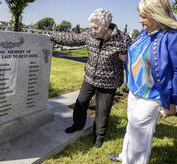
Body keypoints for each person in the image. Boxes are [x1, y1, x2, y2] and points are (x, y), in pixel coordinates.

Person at [107, 0, 177, 163]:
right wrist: (127, 59)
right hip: (135, 89)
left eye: (144, 16)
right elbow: (141, 55)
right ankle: (125, 155)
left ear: (157, 15)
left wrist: (172, 104)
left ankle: (133, 160)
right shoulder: (145, 33)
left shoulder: (174, 38)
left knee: (139, 131)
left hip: (153, 95)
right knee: (133, 125)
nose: (140, 20)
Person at [50, 8, 131, 148]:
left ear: (106, 26)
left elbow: (134, 60)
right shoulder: (90, 34)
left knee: (103, 110)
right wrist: (50, 36)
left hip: (108, 82)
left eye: (96, 27)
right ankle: (77, 124)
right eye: (91, 27)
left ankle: (99, 137)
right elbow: (72, 39)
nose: (92, 30)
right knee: (81, 101)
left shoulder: (123, 39)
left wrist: (126, 60)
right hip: (90, 77)